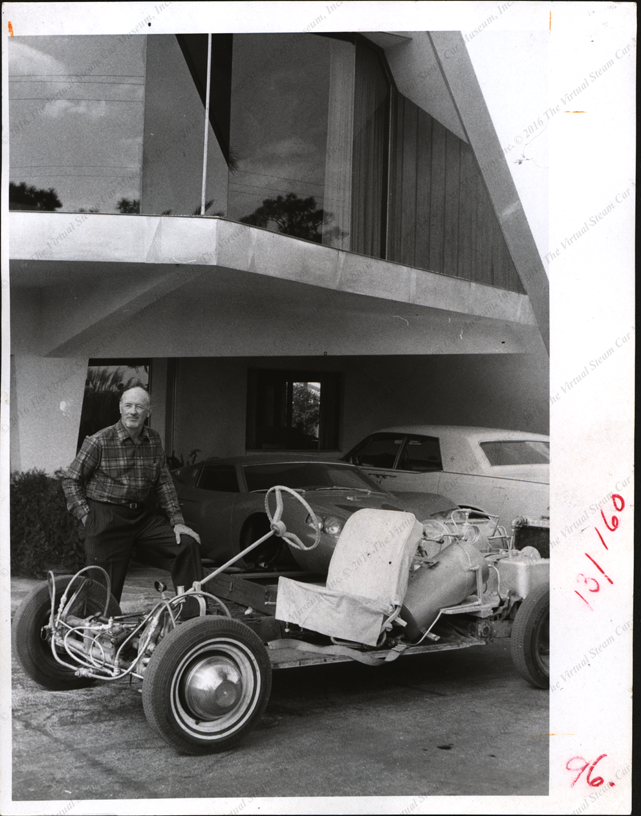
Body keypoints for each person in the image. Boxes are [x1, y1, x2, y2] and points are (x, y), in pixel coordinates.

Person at [62, 384, 204, 610]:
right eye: (128, 405)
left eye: (139, 406)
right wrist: (86, 516)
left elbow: (164, 481)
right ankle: (98, 636)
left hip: (141, 517)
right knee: (103, 593)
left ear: (148, 411)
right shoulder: (99, 441)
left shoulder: (154, 440)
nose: (133, 411)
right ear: (120, 408)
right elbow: (71, 479)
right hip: (106, 516)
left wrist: (177, 521)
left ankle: (190, 620)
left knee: (186, 544)